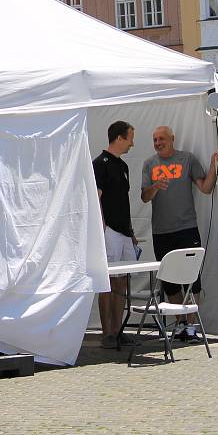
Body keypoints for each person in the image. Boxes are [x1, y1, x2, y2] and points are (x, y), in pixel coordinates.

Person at [141, 126, 218, 341]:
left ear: (172, 139)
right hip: (161, 231)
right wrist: (155, 186)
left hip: (186, 228)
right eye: (155, 139)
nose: (158, 142)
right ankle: (180, 323)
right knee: (169, 282)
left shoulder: (187, 159)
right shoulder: (149, 164)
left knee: (192, 280)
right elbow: (144, 197)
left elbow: (205, 188)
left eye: (161, 138)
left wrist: (215, 166)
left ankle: (192, 325)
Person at [93, 121, 137, 349]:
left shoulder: (124, 167)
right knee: (107, 282)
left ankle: (119, 330)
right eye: (130, 138)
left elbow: (124, 201)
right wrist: (102, 228)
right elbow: (96, 199)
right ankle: (106, 333)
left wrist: (131, 232)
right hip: (109, 230)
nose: (132, 143)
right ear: (119, 138)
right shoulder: (100, 164)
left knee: (122, 282)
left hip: (124, 231)